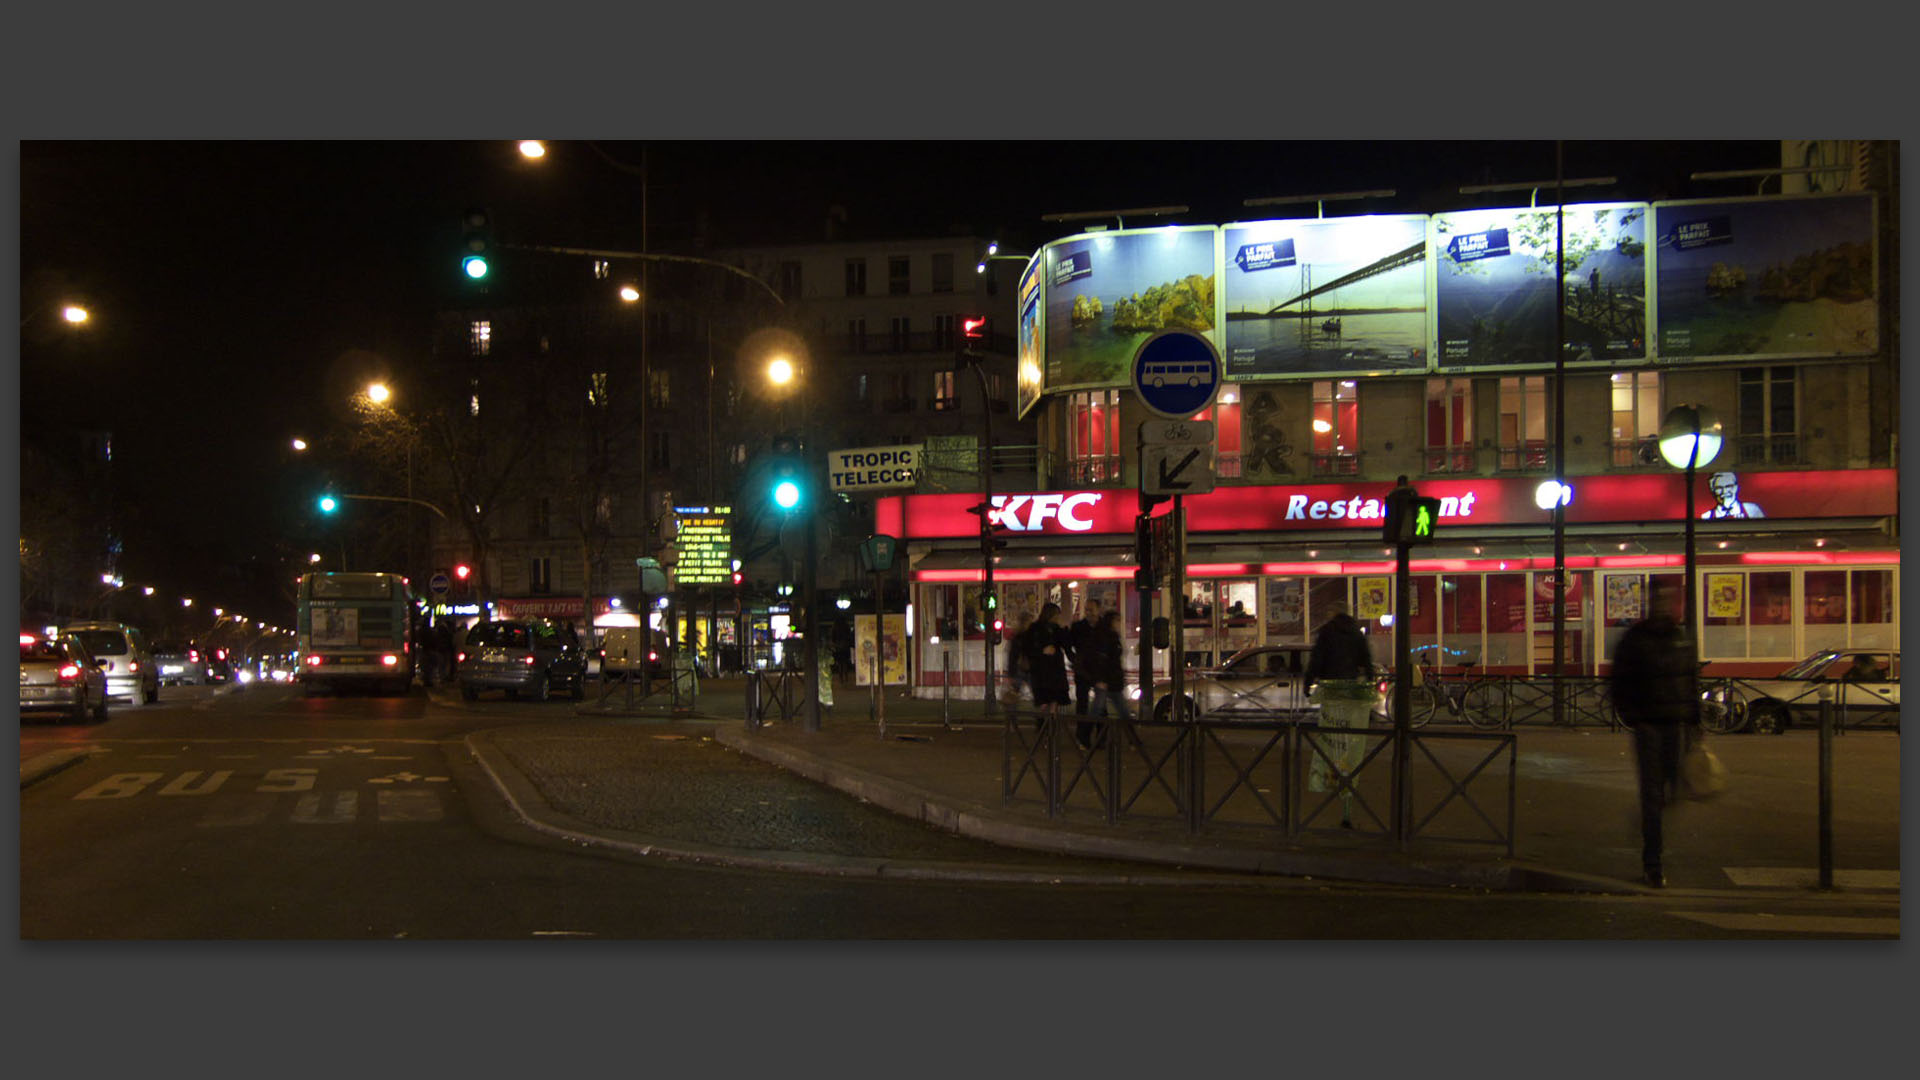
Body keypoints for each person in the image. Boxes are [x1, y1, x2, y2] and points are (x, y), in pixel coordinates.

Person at [1609, 578, 1700, 888]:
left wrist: (1695, 722)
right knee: (1652, 794)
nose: (1663, 603)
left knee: (1673, 788)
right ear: (1649, 601)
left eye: (1668, 597)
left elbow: (1690, 679)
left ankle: (1651, 827)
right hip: (1649, 726)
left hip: (1675, 724)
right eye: (1659, 597)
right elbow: (1618, 681)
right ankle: (1653, 862)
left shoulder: (1680, 636)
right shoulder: (1636, 638)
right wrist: (1633, 717)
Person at [1305, 600, 1375, 828]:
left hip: (1331, 695)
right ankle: (1347, 804)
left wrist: (1308, 683)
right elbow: (1367, 661)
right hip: (1352, 696)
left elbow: (1316, 660)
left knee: (1330, 743)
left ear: (1332, 613)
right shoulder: (1356, 633)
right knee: (1351, 748)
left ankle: (1325, 784)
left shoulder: (1327, 632)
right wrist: (1369, 685)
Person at [1080, 609, 1134, 751]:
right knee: (1103, 710)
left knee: (1115, 710)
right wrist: (1100, 679)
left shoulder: (1110, 636)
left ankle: (1085, 738)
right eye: (1117, 620)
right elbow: (1101, 660)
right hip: (1106, 680)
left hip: (1110, 679)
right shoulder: (1106, 637)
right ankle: (1084, 737)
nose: (1119, 623)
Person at [1024, 602, 1072, 736]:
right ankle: (1044, 726)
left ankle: (1050, 726)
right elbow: (1028, 648)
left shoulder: (1056, 629)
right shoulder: (1035, 629)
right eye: (1056, 615)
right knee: (1045, 700)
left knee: (1053, 700)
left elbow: (1065, 645)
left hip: (1054, 669)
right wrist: (1042, 651)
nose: (1057, 618)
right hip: (1042, 670)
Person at [1067, 599, 1101, 719]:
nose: (1088, 613)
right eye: (1086, 610)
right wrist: (1074, 660)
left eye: (1091, 610)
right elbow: (1068, 645)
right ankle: (1083, 733)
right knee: (1082, 703)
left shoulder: (1103, 627)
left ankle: (1100, 732)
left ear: (1098, 610)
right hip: (1083, 669)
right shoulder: (1078, 627)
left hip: (1099, 670)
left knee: (1100, 704)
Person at [1001, 613, 1034, 724]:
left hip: (1019, 669)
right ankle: (1042, 721)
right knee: (1038, 695)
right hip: (1028, 669)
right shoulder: (1031, 636)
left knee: (1013, 695)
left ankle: (1012, 721)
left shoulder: (1017, 637)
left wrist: (1011, 672)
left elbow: (1012, 656)